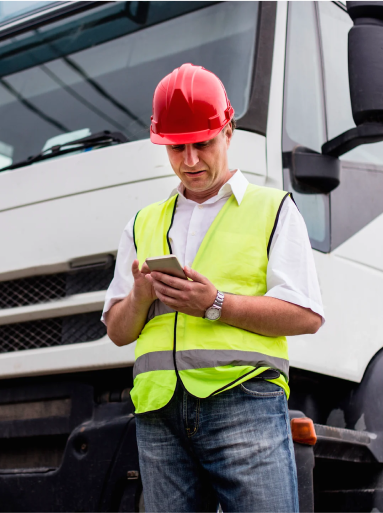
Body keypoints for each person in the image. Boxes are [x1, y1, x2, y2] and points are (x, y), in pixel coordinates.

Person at [102, 63, 324, 513]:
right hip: (158, 414)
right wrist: (141, 297)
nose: (189, 161)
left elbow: (306, 315)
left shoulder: (273, 209)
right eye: (177, 148)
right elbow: (118, 331)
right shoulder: (143, 223)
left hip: (243, 400)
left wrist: (215, 304)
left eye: (201, 144)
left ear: (228, 130)